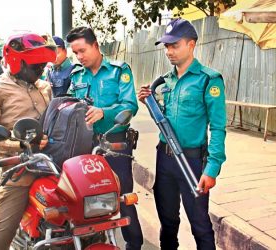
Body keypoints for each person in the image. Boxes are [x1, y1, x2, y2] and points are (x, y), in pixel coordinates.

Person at [138, 18, 226, 250]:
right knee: (168, 222)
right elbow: (164, 117)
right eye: (166, 46)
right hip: (165, 159)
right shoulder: (165, 81)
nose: (169, 51)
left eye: (174, 45)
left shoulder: (208, 79)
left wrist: (212, 168)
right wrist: (148, 101)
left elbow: (218, 128)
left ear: (191, 44)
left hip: (193, 162)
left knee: (200, 225)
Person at [0, 33, 56, 250]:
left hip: (52, 165)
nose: (40, 69)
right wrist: (21, 144)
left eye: (42, 64)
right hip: (18, 168)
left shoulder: (44, 86)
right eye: (35, 65)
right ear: (15, 61)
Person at [66, 26, 143, 250]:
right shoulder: (77, 74)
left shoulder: (119, 71)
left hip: (114, 144)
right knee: (88, 197)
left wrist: (104, 112)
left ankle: (133, 243)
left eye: (82, 50)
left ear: (95, 46)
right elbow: (69, 103)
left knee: (122, 196)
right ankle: (95, 241)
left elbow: (130, 106)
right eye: (76, 53)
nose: (79, 56)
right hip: (85, 144)